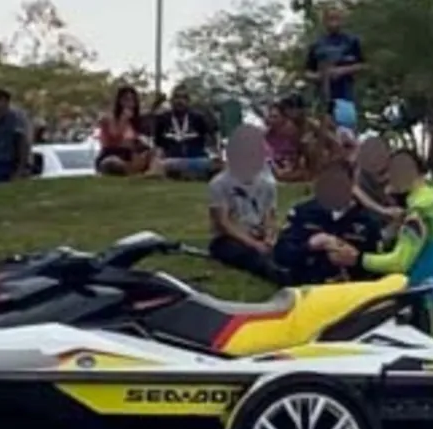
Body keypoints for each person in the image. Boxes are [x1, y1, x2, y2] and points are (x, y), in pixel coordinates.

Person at [322, 148, 433, 328]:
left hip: (412, 297)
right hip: (430, 291)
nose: (388, 181)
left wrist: (358, 259)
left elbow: (400, 262)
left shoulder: (419, 211)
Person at [275, 161, 384, 286]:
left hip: (348, 290)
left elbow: (375, 273)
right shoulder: (303, 212)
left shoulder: (368, 222)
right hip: (306, 288)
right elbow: (280, 255)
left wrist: (355, 259)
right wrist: (309, 246)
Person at [206, 125, 281, 283]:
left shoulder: (267, 183)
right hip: (230, 238)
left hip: (258, 233)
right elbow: (223, 223)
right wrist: (253, 244)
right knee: (246, 254)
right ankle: (275, 274)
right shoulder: (219, 184)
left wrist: (269, 236)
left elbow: (270, 216)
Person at [306, 5, 365, 131]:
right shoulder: (317, 44)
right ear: (324, 21)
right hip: (322, 98)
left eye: (337, 19)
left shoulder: (352, 41)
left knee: (344, 130)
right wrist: (320, 76)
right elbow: (307, 72)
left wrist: (342, 71)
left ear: (342, 20)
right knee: (322, 130)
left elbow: (363, 65)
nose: (333, 23)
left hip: (345, 96)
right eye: (330, 19)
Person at [151, 86, 218, 179]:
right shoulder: (163, 119)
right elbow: (158, 145)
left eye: (183, 98)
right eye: (177, 97)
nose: (180, 101)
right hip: (170, 161)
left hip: (195, 160)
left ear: (188, 101)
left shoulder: (198, 118)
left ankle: (184, 174)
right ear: (171, 100)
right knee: (161, 164)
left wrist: (214, 156)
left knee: (213, 164)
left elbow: (211, 140)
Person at [95, 85, 153, 177]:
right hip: (111, 154)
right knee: (112, 163)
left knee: (153, 154)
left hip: (131, 156)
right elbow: (115, 137)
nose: (129, 103)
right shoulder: (109, 118)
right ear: (119, 101)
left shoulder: (136, 122)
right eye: (126, 99)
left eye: (132, 100)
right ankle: (130, 171)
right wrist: (123, 119)